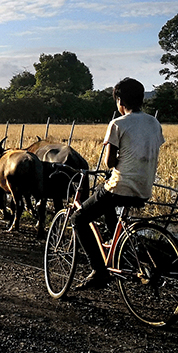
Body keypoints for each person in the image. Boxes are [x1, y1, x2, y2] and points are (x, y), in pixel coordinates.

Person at [72, 77, 164, 290]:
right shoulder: (154, 122)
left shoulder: (117, 123)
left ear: (120, 100)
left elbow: (109, 161)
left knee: (79, 218)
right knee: (104, 198)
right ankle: (115, 244)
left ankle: (98, 271)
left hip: (121, 186)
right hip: (144, 188)